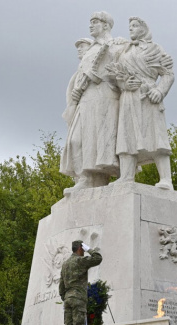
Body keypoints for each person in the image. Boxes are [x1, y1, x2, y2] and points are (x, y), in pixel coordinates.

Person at [60, 11, 124, 191]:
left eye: (94, 22)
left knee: (104, 141)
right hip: (85, 98)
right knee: (77, 140)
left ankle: (110, 176)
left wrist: (104, 76)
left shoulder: (117, 45)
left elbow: (121, 70)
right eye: (90, 22)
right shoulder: (91, 49)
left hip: (105, 96)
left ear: (105, 25)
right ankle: (85, 177)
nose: (90, 25)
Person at [112, 16, 175, 188]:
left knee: (156, 137)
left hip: (148, 96)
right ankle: (126, 176)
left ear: (143, 28)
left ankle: (166, 180)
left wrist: (160, 90)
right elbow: (116, 77)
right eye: (129, 26)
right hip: (128, 97)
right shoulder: (123, 51)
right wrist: (124, 84)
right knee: (127, 137)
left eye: (134, 26)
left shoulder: (155, 49)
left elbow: (168, 74)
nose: (130, 28)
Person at [59, 240, 102, 325]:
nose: (83, 251)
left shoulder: (65, 264)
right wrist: (89, 249)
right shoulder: (79, 261)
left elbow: (61, 284)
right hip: (78, 298)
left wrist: (65, 296)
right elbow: (98, 258)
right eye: (82, 249)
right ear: (80, 248)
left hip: (68, 298)